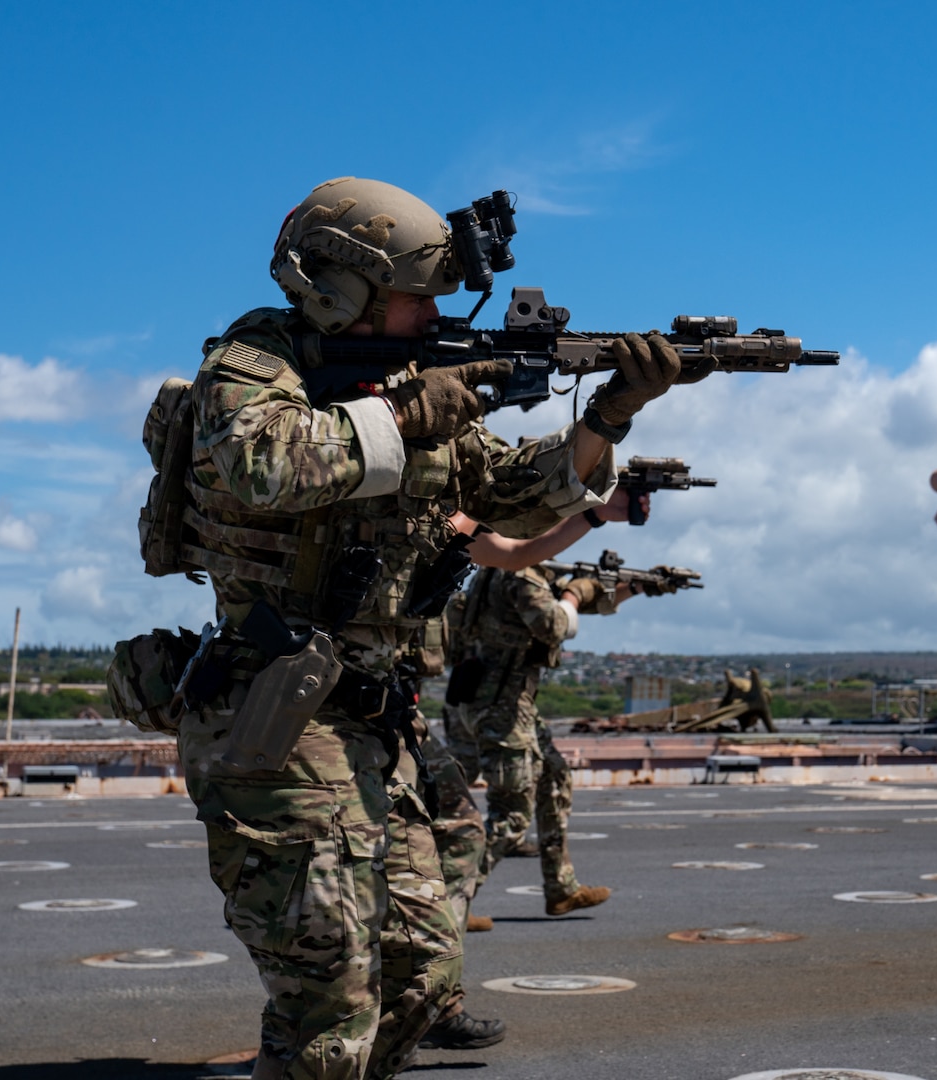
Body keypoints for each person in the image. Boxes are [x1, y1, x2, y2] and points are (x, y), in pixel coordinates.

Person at [173, 176, 680, 1080]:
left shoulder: (406, 384)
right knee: (332, 1011)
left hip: (377, 714)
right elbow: (265, 465)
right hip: (278, 714)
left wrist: (609, 415)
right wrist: (411, 411)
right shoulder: (255, 366)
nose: (431, 317)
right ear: (340, 289)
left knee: (422, 976)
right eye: (418, 298)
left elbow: (519, 495)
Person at [452, 561, 669, 917]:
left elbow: (582, 605)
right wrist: (574, 592)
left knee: (554, 776)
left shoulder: (508, 571)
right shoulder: (520, 574)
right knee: (511, 815)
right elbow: (554, 623)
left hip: (506, 701)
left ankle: (561, 886)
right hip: (501, 707)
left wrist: (634, 588)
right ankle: (449, 905)